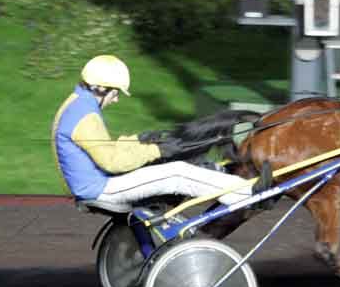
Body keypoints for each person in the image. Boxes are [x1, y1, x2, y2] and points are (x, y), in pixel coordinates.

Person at [51, 55, 271, 210]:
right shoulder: (86, 114)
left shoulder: (78, 103)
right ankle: (246, 195)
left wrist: (137, 141)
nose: (116, 99)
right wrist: (156, 150)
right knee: (176, 173)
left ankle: (238, 190)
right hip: (100, 188)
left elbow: (102, 148)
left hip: (93, 182)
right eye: (115, 93)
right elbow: (112, 162)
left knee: (174, 170)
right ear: (100, 88)